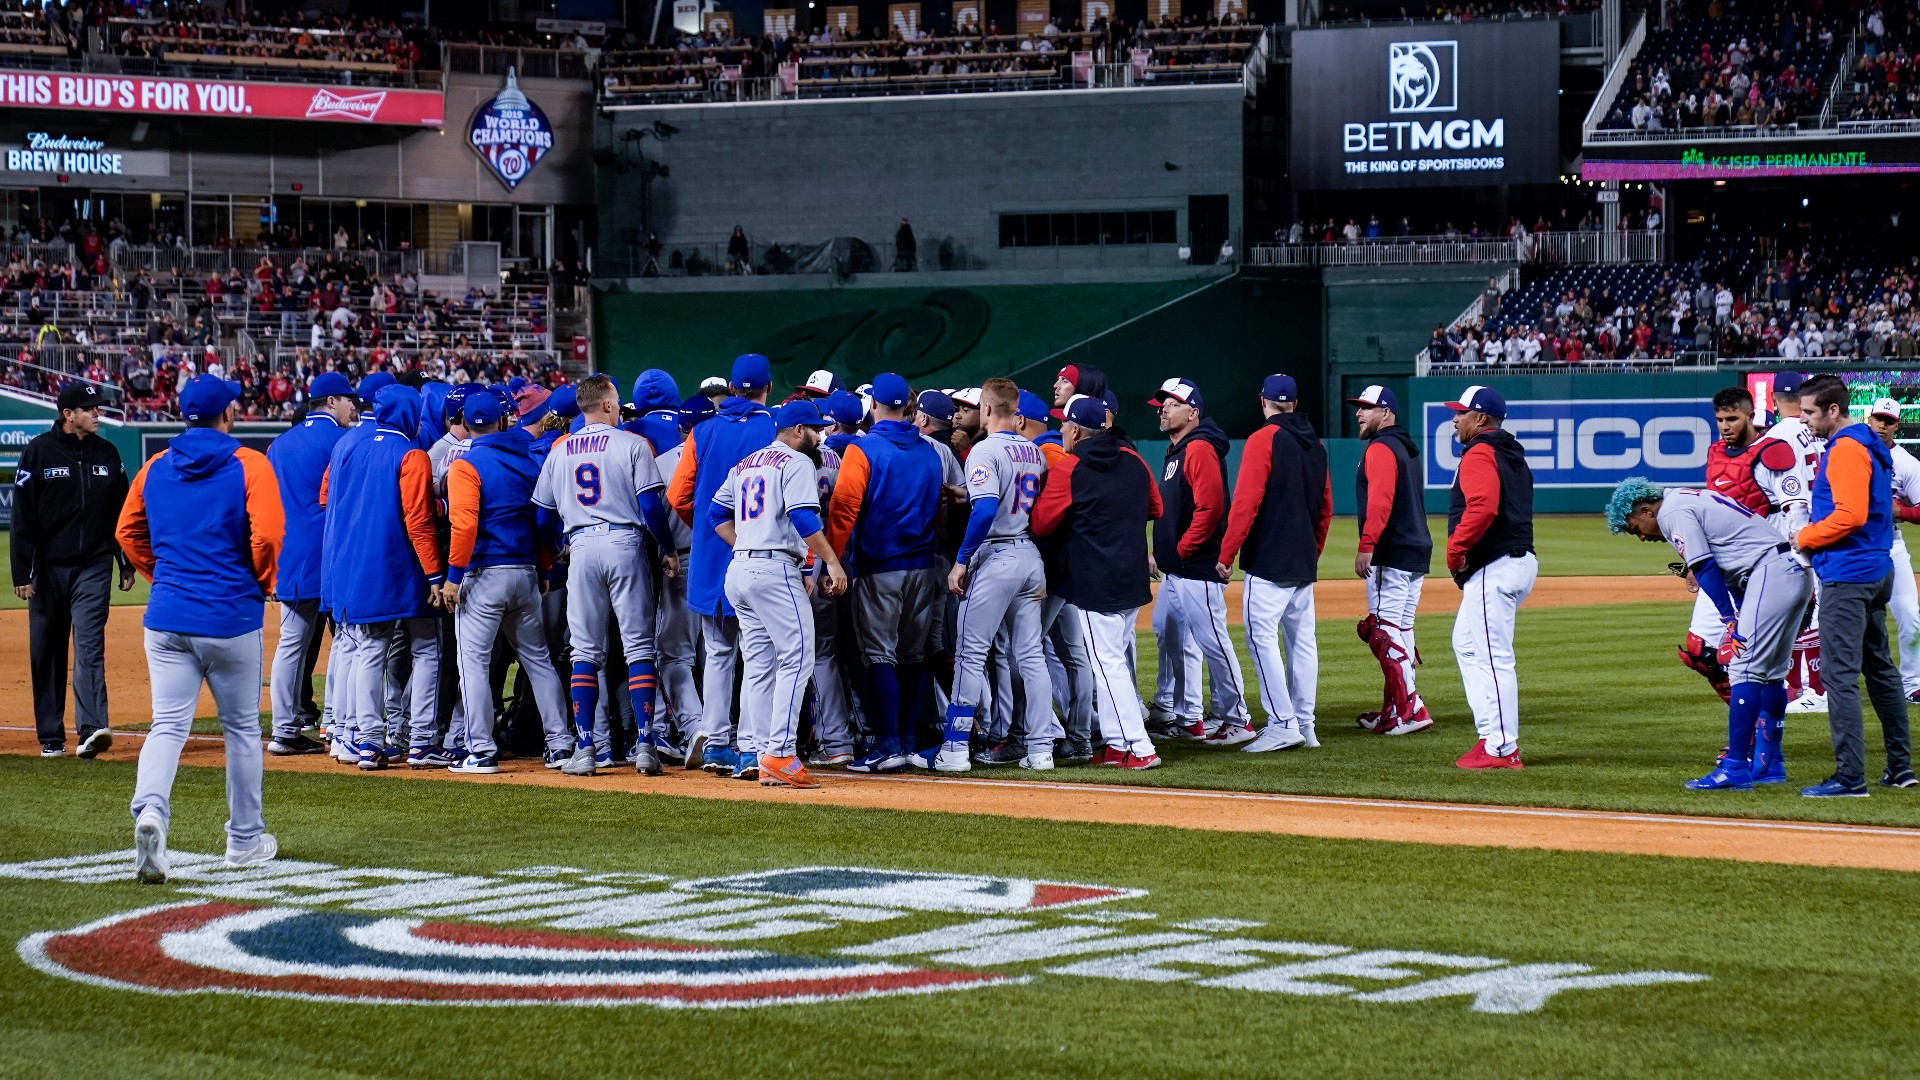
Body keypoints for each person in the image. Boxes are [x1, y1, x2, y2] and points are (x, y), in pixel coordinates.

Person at [115, 375, 285, 883]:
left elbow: (127, 531)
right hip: (230, 616)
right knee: (241, 730)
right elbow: (268, 535)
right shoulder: (250, 463)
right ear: (227, 414)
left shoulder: (154, 466)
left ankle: (150, 811)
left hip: (168, 616)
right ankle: (244, 840)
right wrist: (262, 581)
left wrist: (161, 575)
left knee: (167, 726)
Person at [1609, 479, 1812, 789]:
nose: (1641, 537)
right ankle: (1770, 764)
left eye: (1635, 528)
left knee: (1742, 669)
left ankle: (1735, 768)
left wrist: (1729, 620)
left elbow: (1704, 567)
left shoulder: (1671, 512)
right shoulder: (1689, 497)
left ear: (1647, 511)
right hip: (1789, 570)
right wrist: (1740, 610)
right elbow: (1732, 563)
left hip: (1769, 573)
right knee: (1771, 673)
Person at [533, 374, 678, 777]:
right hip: (624, 543)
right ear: (608, 404)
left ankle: (585, 749)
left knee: (584, 652)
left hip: (580, 546)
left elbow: (542, 517)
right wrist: (667, 548)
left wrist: (559, 548)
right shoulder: (632, 444)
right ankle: (645, 744)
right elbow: (652, 506)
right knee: (639, 647)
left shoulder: (559, 450)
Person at [913, 378, 1057, 772]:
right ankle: (1040, 749)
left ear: (988, 409)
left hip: (996, 556)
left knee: (970, 654)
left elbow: (987, 509)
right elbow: (1015, 498)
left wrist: (962, 560)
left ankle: (955, 749)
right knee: (1031, 656)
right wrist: (968, 495)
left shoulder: (984, 450)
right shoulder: (1033, 451)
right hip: (1029, 556)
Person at [709, 399, 848, 788]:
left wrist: (744, 544)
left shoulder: (746, 463)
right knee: (798, 658)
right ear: (798, 430)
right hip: (772, 570)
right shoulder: (797, 461)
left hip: (740, 571)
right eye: (815, 429)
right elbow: (802, 516)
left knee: (758, 664)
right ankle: (781, 754)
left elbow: (715, 515)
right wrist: (831, 562)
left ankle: (758, 752)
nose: (819, 436)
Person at [441, 389, 572, 774]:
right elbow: (542, 521)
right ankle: (561, 744)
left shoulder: (466, 464)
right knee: (539, 661)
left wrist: (453, 578)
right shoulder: (528, 461)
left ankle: (481, 751)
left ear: (466, 424)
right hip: (525, 574)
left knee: (474, 665)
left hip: (483, 576)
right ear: (502, 420)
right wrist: (544, 569)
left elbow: (464, 525)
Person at [1793, 375, 1913, 796]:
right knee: (1880, 670)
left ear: (1833, 410)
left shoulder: (1845, 448)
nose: (1804, 419)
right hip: (1876, 567)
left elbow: (1850, 515)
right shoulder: (1870, 443)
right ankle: (1900, 768)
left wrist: (1805, 537)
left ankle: (1850, 777)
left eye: (1809, 411)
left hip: (1849, 573)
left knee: (1839, 676)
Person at [1031, 394, 1163, 769]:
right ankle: (1118, 743)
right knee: (1112, 661)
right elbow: (1157, 507)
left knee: (1107, 666)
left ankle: (1140, 747)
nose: (1060, 429)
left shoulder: (1070, 468)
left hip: (1094, 580)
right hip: (1131, 577)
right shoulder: (1134, 459)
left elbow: (1041, 523)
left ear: (1075, 430)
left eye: (1064, 424)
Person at [827, 372, 947, 772]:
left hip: (879, 567)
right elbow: (937, 510)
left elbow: (843, 511)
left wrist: (830, 560)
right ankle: (909, 742)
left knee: (880, 655)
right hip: (923, 565)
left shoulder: (863, 450)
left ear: (874, 404)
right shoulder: (930, 451)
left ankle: (887, 744)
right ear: (909, 407)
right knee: (912, 656)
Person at [326, 383, 446, 770]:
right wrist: (434, 574)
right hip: (403, 566)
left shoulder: (347, 445)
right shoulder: (411, 453)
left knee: (369, 650)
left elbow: (327, 498)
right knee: (426, 648)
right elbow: (419, 520)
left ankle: (367, 742)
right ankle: (422, 741)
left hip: (353, 564)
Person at [668, 354, 778, 774]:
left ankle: (715, 742)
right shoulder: (775, 427)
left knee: (717, 653)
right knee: (757, 655)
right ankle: (750, 746)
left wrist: (705, 529)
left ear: (732, 389)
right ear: (768, 387)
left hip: (711, 554)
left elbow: (678, 496)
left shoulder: (703, 431)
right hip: (760, 552)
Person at [13, 382, 132, 759]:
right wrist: (21, 571)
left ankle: (92, 729)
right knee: (47, 650)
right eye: (90, 408)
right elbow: (22, 515)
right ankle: (51, 736)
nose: (98, 413)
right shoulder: (38, 452)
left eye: (99, 408)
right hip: (48, 568)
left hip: (93, 565)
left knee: (89, 645)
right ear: (68, 414)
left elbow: (122, 514)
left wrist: (125, 561)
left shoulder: (108, 454)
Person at [1216, 374, 1331, 752]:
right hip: (1302, 559)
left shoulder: (1263, 438)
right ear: (1295, 404)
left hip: (1269, 559)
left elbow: (1246, 502)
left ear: (1262, 401)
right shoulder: (1316, 445)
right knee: (1302, 643)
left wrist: (1227, 553)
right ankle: (1305, 725)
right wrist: (1312, 550)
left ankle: (1283, 724)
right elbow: (1326, 507)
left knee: (1261, 638)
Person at [1149, 377, 1252, 741]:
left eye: (1173, 404)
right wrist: (1161, 551)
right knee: (1170, 636)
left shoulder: (1199, 448)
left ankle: (1238, 719)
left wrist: (1181, 550)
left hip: (1196, 566)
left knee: (1212, 642)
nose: (1164, 410)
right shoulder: (1178, 449)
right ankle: (1188, 717)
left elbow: (1210, 509)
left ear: (1193, 412)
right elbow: (1175, 511)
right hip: (1177, 568)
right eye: (1163, 404)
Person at [263, 373, 356, 757]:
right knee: (348, 641)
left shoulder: (279, 444)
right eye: (349, 400)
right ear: (331, 402)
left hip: (291, 557)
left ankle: (283, 730)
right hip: (333, 555)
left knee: (291, 645)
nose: (354, 407)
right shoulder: (343, 440)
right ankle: (337, 724)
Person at [1443, 385, 1536, 770]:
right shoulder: (1510, 453)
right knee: (1466, 643)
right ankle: (1490, 733)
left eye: (1461, 412)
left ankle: (1501, 746)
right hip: (1515, 561)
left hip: (1494, 566)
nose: (1455, 419)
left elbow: (1482, 507)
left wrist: (1456, 548)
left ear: (1480, 418)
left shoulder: (1481, 452)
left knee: (1493, 657)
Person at [1347, 384, 1434, 739]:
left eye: (1366, 407)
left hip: (1392, 550)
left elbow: (1381, 500)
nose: (1359, 412)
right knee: (1399, 631)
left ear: (1385, 412)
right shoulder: (1406, 447)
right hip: (1415, 549)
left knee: (1382, 632)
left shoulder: (1381, 447)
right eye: (1358, 406)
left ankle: (1411, 709)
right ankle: (1394, 711)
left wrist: (1367, 544)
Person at [1678, 386, 1769, 704]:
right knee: (1699, 652)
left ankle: (1765, 718)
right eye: (1720, 419)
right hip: (1721, 561)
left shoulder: (1770, 451)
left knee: (1749, 654)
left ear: (1750, 416)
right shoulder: (1715, 451)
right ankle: (1749, 719)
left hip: (1759, 565)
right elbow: (1707, 509)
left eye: (1732, 418)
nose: (1725, 426)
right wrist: (1695, 561)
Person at [1866, 399, 1920, 702]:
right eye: (1878, 419)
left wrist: (1901, 511)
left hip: (1892, 545)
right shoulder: (1852, 452)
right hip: (1853, 548)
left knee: (1910, 614)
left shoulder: (1908, 464)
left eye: (1888, 421)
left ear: (1896, 425)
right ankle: (1818, 686)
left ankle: (1912, 683)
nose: (1882, 425)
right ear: (1869, 419)